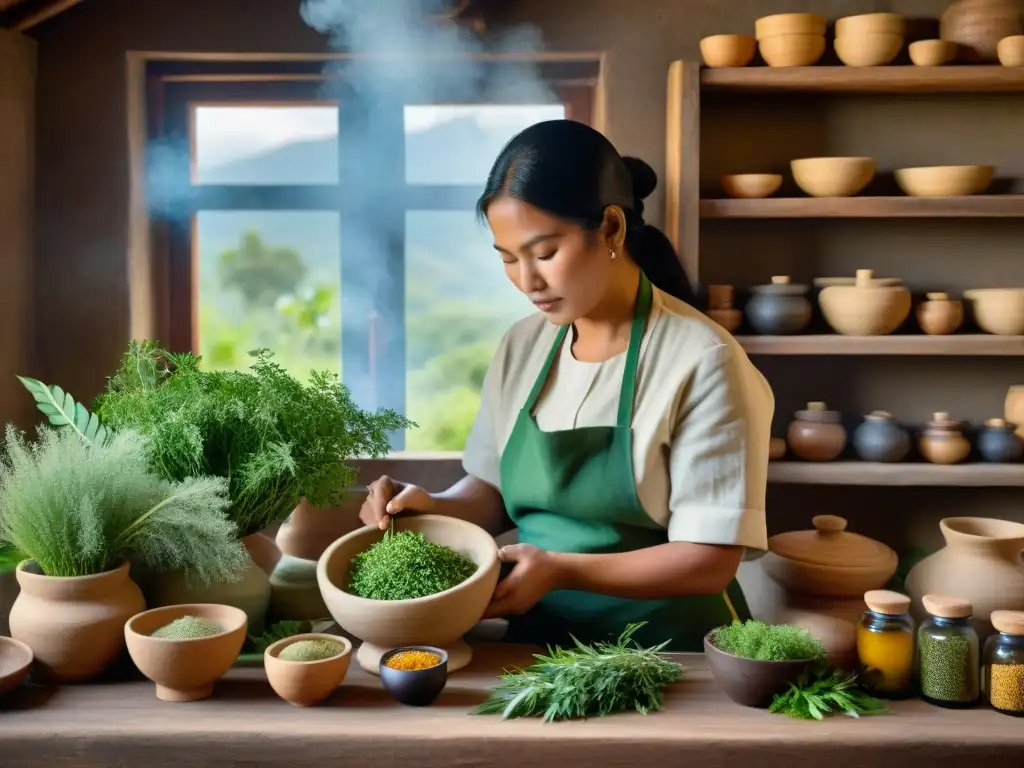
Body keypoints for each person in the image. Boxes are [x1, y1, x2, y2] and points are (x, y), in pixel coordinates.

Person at [359, 119, 773, 651]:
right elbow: (494, 493)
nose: (527, 281)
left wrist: (557, 571)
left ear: (611, 230)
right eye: (508, 258)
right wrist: (430, 507)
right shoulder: (522, 347)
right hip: (539, 649)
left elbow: (708, 561)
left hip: (674, 657)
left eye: (545, 253)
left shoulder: (703, 361)